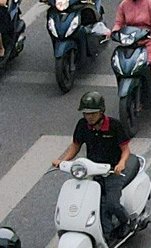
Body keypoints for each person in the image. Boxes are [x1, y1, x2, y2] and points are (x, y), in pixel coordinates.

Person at [54, 91, 138, 236]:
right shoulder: (82, 125)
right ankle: (105, 231)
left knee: (112, 203)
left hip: (111, 172)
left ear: (101, 112)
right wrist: (63, 161)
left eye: (92, 113)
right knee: (89, 202)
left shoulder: (114, 126)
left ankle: (127, 222)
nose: (89, 117)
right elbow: (75, 146)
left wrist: (121, 163)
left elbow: (125, 150)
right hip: (90, 171)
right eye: (86, 113)